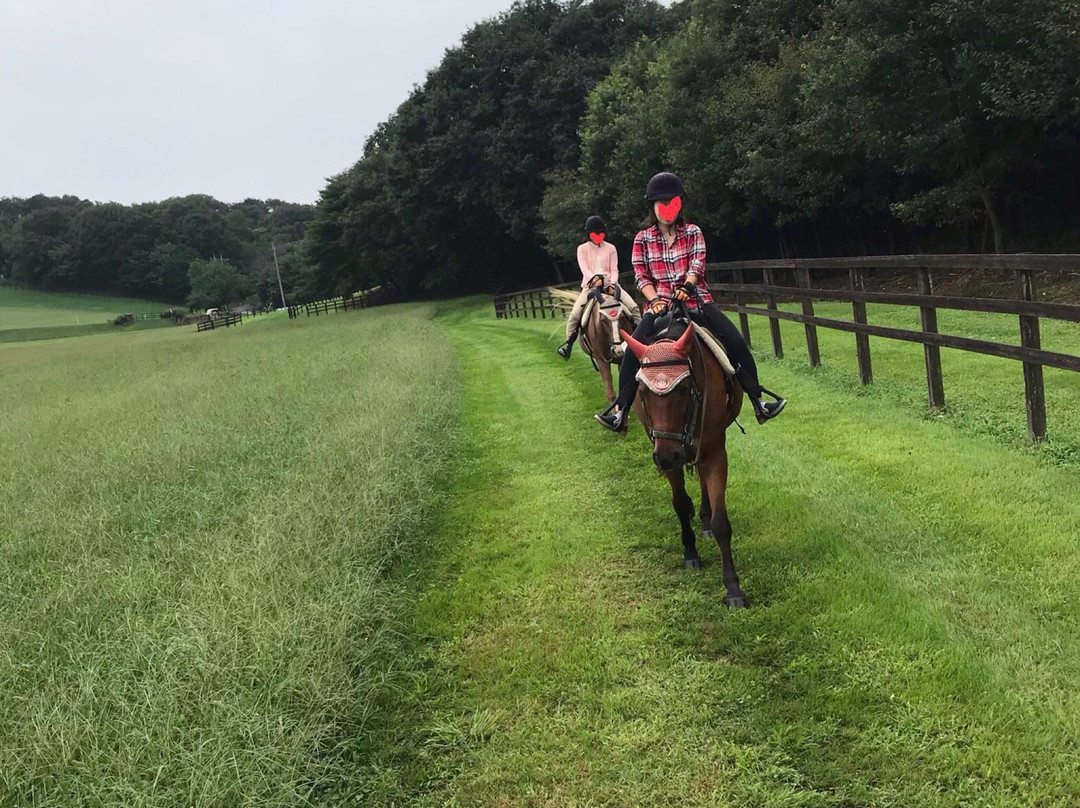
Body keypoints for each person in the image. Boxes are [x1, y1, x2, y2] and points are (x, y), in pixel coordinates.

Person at [595, 172, 787, 432]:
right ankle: (621, 413)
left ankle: (759, 402)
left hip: (697, 301)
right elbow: (641, 276)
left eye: (673, 203)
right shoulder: (642, 239)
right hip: (660, 306)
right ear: (652, 207)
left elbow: (697, 262)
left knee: (735, 342)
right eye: (662, 204)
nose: (668, 210)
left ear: (680, 204)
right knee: (631, 354)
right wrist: (655, 300)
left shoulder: (693, 232)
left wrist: (688, 285)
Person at [557, 215, 640, 359]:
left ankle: (642, 338)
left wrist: (613, 284)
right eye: (594, 234)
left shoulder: (611, 248)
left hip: (610, 285)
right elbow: (585, 269)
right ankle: (568, 345)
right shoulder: (582, 249)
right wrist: (595, 279)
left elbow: (614, 269)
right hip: (590, 287)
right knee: (575, 314)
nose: (597, 237)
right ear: (588, 234)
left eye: (600, 233)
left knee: (633, 307)